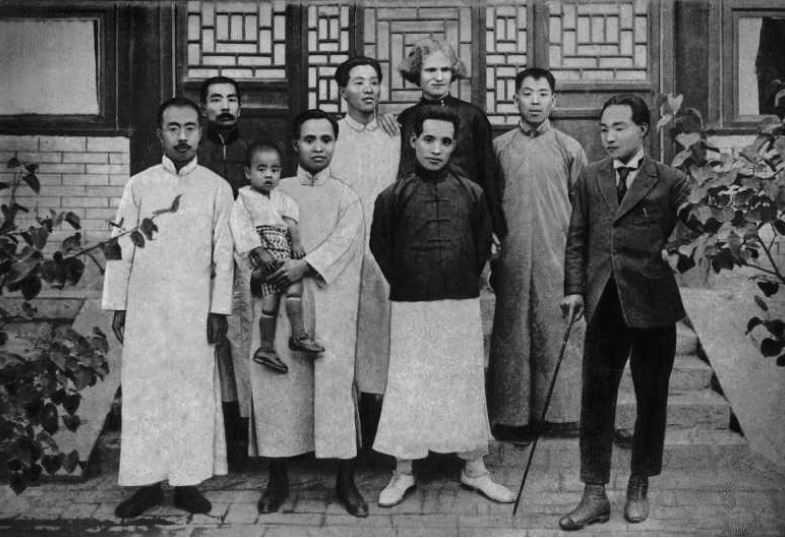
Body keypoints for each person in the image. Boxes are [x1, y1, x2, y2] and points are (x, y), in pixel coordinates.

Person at [370, 105, 515, 507]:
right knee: (409, 383)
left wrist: (459, 279)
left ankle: (474, 468)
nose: (436, 149)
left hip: (459, 302)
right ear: (413, 140)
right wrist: (410, 278)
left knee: (463, 381)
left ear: (454, 146)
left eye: (446, 142)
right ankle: (403, 470)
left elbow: (481, 245)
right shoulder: (392, 196)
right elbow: (380, 247)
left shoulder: (472, 193)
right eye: (429, 139)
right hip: (410, 304)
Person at [559, 94, 691, 530]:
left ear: (643, 130)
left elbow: (695, 227)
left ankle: (639, 483)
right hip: (603, 302)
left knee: (651, 397)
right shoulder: (590, 177)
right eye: (604, 129)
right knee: (596, 397)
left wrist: (676, 251)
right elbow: (577, 238)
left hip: (653, 304)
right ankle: (594, 492)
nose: (609, 137)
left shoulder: (671, 180)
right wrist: (574, 289)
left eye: (619, 127)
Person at [102, 96, 234, 518]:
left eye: (190, 127)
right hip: (147, 308)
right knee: (145, 393)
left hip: (195, 309)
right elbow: (118, 247)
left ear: (201, 133)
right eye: (173, 128)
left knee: (191, 393)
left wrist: (218, 309)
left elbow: (224, 254)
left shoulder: (217, 188)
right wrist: (118, 304)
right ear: (159, 134)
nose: (182, 136)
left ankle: (187, 483)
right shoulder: (138, 185)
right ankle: (145, 486)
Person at [245, 110, 368, 518]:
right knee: (278, 386)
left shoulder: (347, 196)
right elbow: (247, 234)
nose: (318, 147)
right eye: (309, 139)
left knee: (335, 387)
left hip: (330, 300)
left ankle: (345, 480)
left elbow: (346, 243)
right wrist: (262, 269)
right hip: (281, 298)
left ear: (335, 144)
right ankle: (277, 478)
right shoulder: (273, 190)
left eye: (326, 139)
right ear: (295, 144)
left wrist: (306, 264)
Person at [488, 68, 587, 442]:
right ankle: (511, 416)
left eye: (542, 94)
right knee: (512, 332)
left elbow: (583, 209)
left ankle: (561, 415)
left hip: (555, 253)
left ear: (553, 101)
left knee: (555, 327)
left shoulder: (569, 148)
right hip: (512, 254)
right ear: (514, 99)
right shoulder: (500, 148)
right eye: (527, 93)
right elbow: (490, 204)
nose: (535, 101)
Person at [329, 56, 400, 440]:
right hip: (341, 248)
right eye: (358, 82)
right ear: (343, 91)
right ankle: (344, 423)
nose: (368, 89)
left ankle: (378, 422)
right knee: (342, 332)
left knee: (381, 332)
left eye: (374, 81)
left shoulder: (394, 133)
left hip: (384, 248)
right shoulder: (330, 135)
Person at [396, 38, 506, 239]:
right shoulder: (406, 119)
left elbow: (488, 176)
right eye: (430, 70)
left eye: (445, 70)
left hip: (465, 217)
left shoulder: (473, 116)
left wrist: (493, 227)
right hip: (418, 218)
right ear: (417, 73)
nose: (439, 77)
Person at [230, 141, 324, 374]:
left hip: (282, 251)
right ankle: (269, 347)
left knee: (293, 289)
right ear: (248, 172)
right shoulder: (243, 198)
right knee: (272, 300)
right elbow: (241, 227)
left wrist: (296, 242)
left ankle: (295, 336)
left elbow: (291, 222)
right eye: (261, 169)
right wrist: (258, 250)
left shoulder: (282, 198)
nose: (268, 175)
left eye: (274, 170)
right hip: (262, 253)